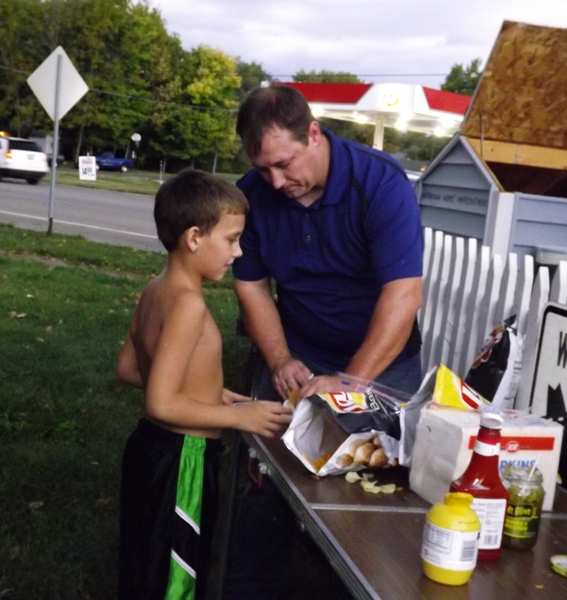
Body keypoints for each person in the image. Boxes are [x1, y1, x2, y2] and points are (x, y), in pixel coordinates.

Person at [225, 84, 424, 598]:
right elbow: (251, 285)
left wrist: (351, 381)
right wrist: (279, 359)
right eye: (263, 168)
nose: (275, 181)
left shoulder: (379, 183)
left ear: (313, 134)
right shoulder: (253, 194)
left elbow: (403, 295)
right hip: (298, 351)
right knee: (267, 477)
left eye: (284, 164)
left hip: (383, 363)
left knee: (371, 485)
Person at [115, 169, 293, 600]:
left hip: (150, 452)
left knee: (147, 567)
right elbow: (160, 403)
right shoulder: (189, 306)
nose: (238, 251)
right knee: (176, 579)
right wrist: (238, 417)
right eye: (231, 239)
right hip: (184, 461)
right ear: (194, 238)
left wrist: (209, 395)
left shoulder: (156, 289)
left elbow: (129, 369)